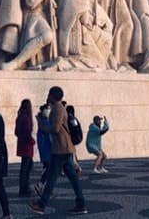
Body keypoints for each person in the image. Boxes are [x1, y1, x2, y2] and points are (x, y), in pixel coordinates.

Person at [29, 85, 87, 215]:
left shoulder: (58, 108)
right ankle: (81, 204)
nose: (47, 96)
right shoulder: (59, 108)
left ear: (52, 95)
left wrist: (41, 125)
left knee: (51, 178)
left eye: (49, 94)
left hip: (60, 148)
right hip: (64, 148)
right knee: (73, 178)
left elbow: (55, 128)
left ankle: (41, 205)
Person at [16, 98, 35, 196]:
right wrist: (32, 141)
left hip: (22, 145)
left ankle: (24, 187)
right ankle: (23, 189)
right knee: (26, 168)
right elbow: (27, 133)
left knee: (27, 166)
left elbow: (17, 132)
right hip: (27, 146)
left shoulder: (20, 116)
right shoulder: (26, 118)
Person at [34, 104, 51, 195]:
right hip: (47, 147)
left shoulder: (42, 120)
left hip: (45, 147)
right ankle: (41, 185)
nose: (49, 111)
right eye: (47, 109)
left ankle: (43, 187)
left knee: (47, 167)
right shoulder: (44, 121)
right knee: (49, 167)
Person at [66, 105, 83, 174]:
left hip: (72, 139)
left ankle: (77, 168)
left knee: (71, 154)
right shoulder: (73, 118)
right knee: (72, 154)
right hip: (73, 139)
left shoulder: (71, 118)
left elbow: (75, 128)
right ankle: (76, 168)